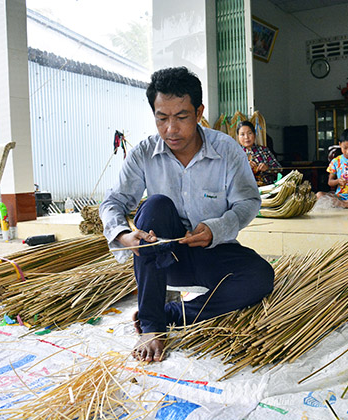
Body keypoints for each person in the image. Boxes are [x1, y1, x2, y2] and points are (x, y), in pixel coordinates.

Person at [99, 67, 274, 363]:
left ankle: (172, 315)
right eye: (161, 118)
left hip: (212, 251)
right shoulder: (143, 153)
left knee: (260, 277)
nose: (171, 129)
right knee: (154, 206)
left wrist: (217, 228)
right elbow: (113, 201)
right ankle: (152, 326)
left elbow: (248, 202)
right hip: (163, 258)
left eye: (181, 117)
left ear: (198, 113)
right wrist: (122, 234)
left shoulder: (226, 150)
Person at [236, 120, 282, 186]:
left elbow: (279, 169)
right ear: (238, 137)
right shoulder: (235, 154)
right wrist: (244, 168)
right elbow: (229, 175)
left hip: (267, 189)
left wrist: (267, 168)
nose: (246, 137)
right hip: (244, 190)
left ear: (254, 134)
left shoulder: (264, 150)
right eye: (242, 134)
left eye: (249, 133)